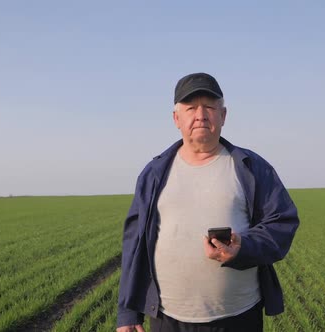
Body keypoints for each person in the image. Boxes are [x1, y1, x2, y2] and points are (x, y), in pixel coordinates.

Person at [116, 73, 300, 332]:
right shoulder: (153, 173)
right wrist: (127, 312)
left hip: (238, 317)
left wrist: (243, 247)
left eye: (210, 107)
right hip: (168, 319)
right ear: (176, 118)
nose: (200, 115)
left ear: (223, 116)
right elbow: (134, 244)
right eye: (191, 108)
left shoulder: (251, 167)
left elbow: (282, 222)